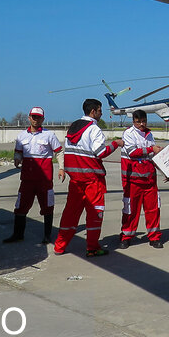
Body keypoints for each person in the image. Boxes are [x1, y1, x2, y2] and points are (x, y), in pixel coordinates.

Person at [53, 99, 122, 257]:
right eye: (100, 110)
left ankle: (59, 246)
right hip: (92, 180)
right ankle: (92, 247)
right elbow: (100, 152)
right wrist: (116, 144)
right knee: (95, 214)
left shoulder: (74, 126)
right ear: (93, 112)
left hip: (76, 180)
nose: (101, 113)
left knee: (70, 214)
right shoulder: (94, 129)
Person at [4, 107, 61, 244]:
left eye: (39, 117)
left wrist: (62, 168)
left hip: (44, 180)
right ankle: (18, 235)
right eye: (33, 117)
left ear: (43, 119)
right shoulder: (21, 136)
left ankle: (47, 236)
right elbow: (18, 151)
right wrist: (17, 158)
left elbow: (59, 152)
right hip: (27, 180)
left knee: (48, 206)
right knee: (20, 207)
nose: (36, 119)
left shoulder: (49, 135)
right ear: (29, 117)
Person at [119, 109, 163, 249]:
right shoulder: (128, 134)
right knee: (131, 209)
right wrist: (151, 150)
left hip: (149, 179)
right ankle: (126, 236)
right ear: (133, 121)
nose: (142, 124)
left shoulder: (149, 135)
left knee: (153, 209)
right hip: (133, 181)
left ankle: (154, 237)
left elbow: (153, 156)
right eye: (138, 122)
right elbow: (132, 152)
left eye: (144, 121)